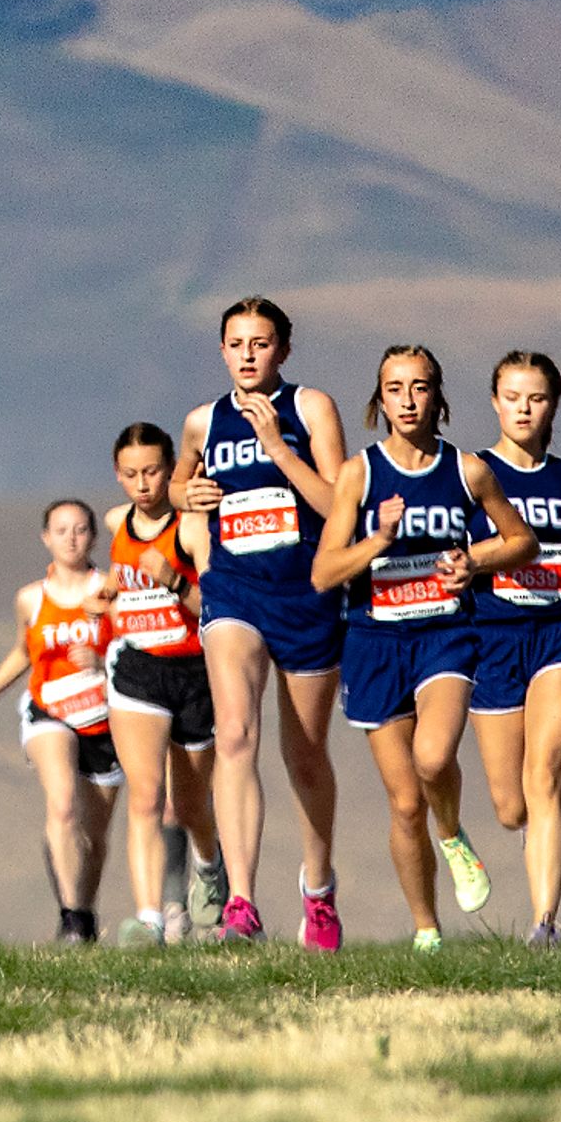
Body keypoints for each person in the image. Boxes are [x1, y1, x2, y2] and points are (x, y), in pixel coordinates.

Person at [314, 344, 533, 950]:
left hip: (445, 636)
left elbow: (522, 541)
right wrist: (378, 538)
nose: (408, 400)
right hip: (375, 642)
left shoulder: (468, 471)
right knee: (404, 802)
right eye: (394, 388)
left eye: (419, 387)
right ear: (379, 400)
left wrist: (475, 559)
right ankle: (426, 929)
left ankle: (454, 833)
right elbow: (325, 572)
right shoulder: (360, 473)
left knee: (433, 759)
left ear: (439, 397)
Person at [175, 297, 350, 948]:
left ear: (284, 349)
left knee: (305, 754)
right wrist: (180, 494)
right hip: (234, 593)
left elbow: (339, 504)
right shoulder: (203, 421)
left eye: (262, 342)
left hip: (306, 594)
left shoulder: (312, 408)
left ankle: (319, 888)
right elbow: (176, 484)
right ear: (222, 350)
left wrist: (277, 446)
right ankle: (242, 900)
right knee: (236, 734)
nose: (249, 353)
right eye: (237, 343)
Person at [467, 352, 561, 945]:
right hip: (492, 638)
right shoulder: (473, 473)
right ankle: (531, 840)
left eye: (537, 397)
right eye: (513, 397)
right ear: (495, 403)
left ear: (553, 404)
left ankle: (544, 924)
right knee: (510, 806)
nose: (524, 408)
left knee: (545, 772)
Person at [0, 497, 120, 943]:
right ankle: (71, 915)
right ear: (45, 538)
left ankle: (82, 916)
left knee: (94, 834)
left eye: (80, 529)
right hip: (48, 711)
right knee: (63, 804)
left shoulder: (110, 591)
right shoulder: (31, 598)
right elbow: (22, 651)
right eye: (61, 530)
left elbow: (133, 648)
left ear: (92, 536)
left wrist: (102, 659)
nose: (71, 539)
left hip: (104, 717)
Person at [103, 423, 221, 946]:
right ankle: (149, 916)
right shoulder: (116, 522)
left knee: (192, 806)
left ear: (171, 469)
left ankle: (209, 865)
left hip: (194, 672)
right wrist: (107, 594)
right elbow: (117, 580)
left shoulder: (191, 529)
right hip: (138, 672)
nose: (143, 484)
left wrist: (173, 581)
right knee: (146, 796)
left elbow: (215, 608)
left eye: (152, 471)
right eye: (131, 474)